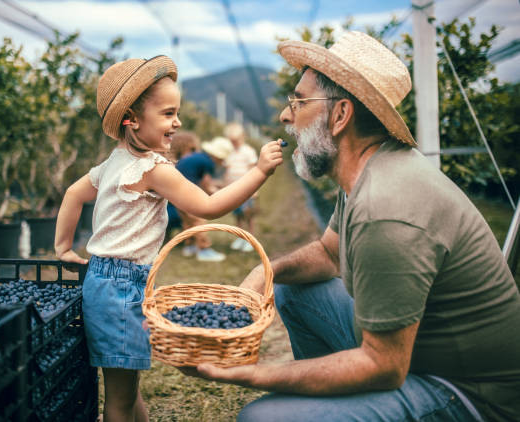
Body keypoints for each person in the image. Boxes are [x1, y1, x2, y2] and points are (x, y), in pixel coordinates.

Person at [180, 32, 520, 422]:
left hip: (468, 393)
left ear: (341, 115)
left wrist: (253, 373)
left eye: (299, 102)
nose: (285, 116)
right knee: (293, 289)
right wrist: (265, 271)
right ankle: (332, 401)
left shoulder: (386, 207)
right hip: (417, 356)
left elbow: (384, 366)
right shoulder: (367, 173)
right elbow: (329, 254)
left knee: (262, 418)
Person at [54, 55, 284, 422]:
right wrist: (258, 172)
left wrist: (63, 247)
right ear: (131, 119)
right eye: (167, 113)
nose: (177, 122)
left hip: (103, 282)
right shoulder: (154, 169)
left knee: (126, 388)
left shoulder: (110, 164)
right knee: (118, 399)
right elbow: (209, 207)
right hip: (123, 288)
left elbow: (72, 195)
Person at [175, 136, 234, 262]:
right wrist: (218, 193)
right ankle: (204, 250)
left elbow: (200, 180)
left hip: (175, 193)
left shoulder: (198, 157)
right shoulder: (208, 163)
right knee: (198, 221)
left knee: (187, 221)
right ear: (217, 156)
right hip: (186, 194)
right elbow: (206, 185)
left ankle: (189, 246)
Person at [224, 122, 258, 253]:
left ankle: (250, 238)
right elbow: (227, 171)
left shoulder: (248, 151)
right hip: (233, 189)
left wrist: (254, 190)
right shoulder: (229, 153)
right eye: (231, 141)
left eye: (235, 140)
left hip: (246, 190)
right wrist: (225, 186)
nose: (234, 143)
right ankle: (240, 238)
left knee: (248, 214)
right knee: (237, 214)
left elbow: (253, 171)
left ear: (242, 137)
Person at [165, 131, 200, 240]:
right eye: (193, 150)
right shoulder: (184, 167)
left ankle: (167, 237)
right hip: (173, 212)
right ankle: (195, 243)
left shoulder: (167, 164)